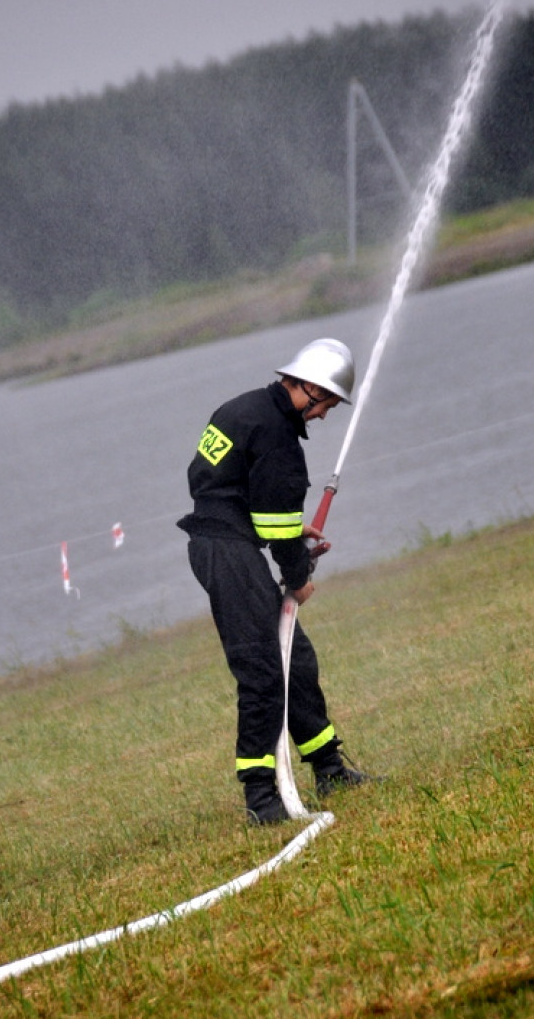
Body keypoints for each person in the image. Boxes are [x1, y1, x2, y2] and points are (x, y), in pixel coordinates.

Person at [177, 338, 369, 825]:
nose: (325, 415)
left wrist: (276, 525)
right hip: (228, 555)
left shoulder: (242, 409)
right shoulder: (278, 435)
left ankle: (328, 767)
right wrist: (299, 575)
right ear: (307, 388)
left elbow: (216, 480)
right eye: (326, 403)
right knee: (263, 671)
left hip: (227, 541)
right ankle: (261, 797)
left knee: (294, 659)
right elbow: (278, 532)